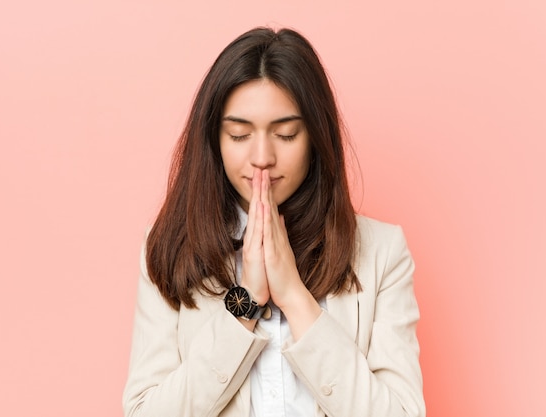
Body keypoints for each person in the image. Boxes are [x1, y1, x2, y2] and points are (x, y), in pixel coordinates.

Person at [123, 27, 425, 417]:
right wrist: (245, 301)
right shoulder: (168, 248)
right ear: (214, 139)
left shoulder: (382, 252)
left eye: (285, 134)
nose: (261, 156)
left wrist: (297, 300)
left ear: (315, 137)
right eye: (239, 134)